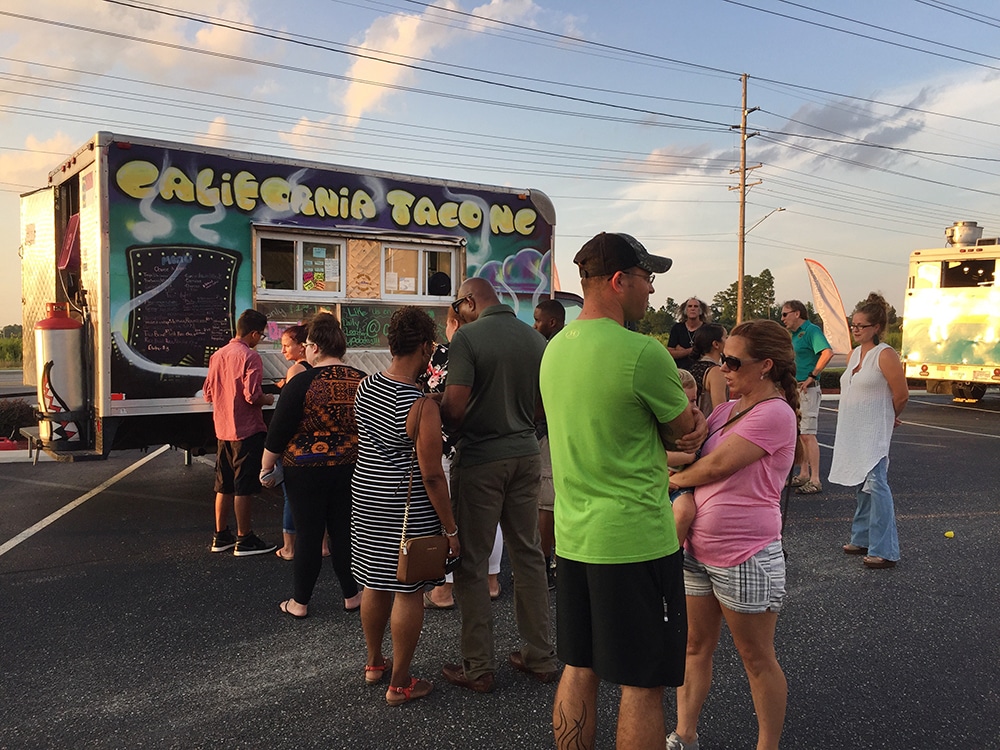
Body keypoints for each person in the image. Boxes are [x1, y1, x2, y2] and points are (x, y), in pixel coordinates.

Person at [540, 232, 704, 749]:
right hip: (635, 540)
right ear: (618, 281)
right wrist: (673, 426)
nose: (652, 290)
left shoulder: (553, 350)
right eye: (646, 278)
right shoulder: (643, 354)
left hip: (575, 537)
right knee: (642, 682)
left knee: (579, 665)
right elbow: (688, 429)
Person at [667, 319, 799, 750]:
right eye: (723, 358)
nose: (723, 367)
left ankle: (768, 746)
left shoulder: (775, 414)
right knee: (693, 648)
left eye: (732, 361)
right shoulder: (727, 410)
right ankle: (685, 736)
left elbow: (717, 466)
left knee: (756, 659)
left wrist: (669, 477)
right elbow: (690, 447)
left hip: (745, 553)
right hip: (698, 550)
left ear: (765, 365)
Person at [439, 277, 557, 693]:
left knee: (472, 561)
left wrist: (431, 409)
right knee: (527, 554)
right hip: (526, 453)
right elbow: (544, 406)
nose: (457, 313)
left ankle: (478, 667)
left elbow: (453, 406)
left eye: (458, 305)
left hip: (482, 459)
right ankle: (540, 656)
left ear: (470, 301)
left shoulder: (468, 338)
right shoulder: (535, 340)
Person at [351, 307, 460, 706]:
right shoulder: (422, 407)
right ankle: (400, 684)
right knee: (408, 590)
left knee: (374, 583)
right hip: (406, 511)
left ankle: (374, 663)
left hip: (366, 500)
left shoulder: (365, 387)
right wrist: (451, 530)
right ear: (427, 348)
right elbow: (432, 475)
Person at [260, 313, 364, 616]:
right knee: (344, 532)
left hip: (304, 470)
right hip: (350, 467)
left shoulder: (302, 381)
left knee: (308, 534)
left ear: (315, 347)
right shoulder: (362, 380)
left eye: (306, 345)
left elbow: (279, 430)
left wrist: (266, 467)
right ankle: (351, 596)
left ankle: (300, 602)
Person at [420, 307, 503, 609]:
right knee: (490, 516)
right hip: (488, 442)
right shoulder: (494, 351)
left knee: (449, 516)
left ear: (454, 323)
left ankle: (444, 590)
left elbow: (428, 393)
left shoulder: (445, 353)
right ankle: (492, 580)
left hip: (448, 445)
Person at [828, 293, 908, 570]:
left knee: (876, 484)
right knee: (863, 486)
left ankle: (885, 549)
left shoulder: (884, 354)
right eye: (853, 325)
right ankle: (861, 538)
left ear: (876, 327)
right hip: (852, 427)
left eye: (861, 325)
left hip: (873, 429)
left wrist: (890, 417)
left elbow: (901, 394)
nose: (856, 329)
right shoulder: (853, 354)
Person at [204, 309, 276, 557]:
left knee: (223, 485)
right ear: (254, 333)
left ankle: (220, 535)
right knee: (244, 486)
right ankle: (244, 538)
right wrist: (268, 399)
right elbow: (252, 395)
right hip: (246, 429)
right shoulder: (251, 357)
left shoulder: (218, 355)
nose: (260, 339)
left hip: (222, 428)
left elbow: (208, 393)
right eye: (262, 335)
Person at [781, 299, 833, 495]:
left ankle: (815, 479)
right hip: (796, 388)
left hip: (807, 389)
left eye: (785, 314)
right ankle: (803, 474)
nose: (782, 318)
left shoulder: (811, 331)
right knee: (799, 434)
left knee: (808, 434)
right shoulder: (795, 335)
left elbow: (827, 352)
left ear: (797, 313)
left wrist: (813, 375)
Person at [533, 297, 566, 589]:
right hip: (561, 429)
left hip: (548, 430)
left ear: (552, 322)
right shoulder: (567, 346)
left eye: (538, 320)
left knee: (546, 499)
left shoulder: (549, 350)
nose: (534, 325)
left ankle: (543, 566)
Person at [274, 324, 311, 561]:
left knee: (291, 495)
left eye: (287, 345)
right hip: (314, 441)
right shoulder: (318, 368)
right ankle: (323, 546)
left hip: (294, 442)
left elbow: (287, 410)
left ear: (302, 346)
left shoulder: (296, 369)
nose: (283, 350)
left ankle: (289, 547)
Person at [667, 370, 700, 544]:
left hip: (681, 483)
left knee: (685, 510)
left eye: (694, 400)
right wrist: (688, 457)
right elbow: (659, 456)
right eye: (684, 402)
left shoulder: (697, 423)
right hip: (657, 478)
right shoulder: (663, 424)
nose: (692, 407)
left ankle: (675, 553)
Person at [687, 323, 728, 417]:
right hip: (709, 426)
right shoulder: (716, 372)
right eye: (726, 337)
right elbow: (721, 412)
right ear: (716, 344)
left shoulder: (695, 366)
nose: (728, 340)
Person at [667, 297, 709, 371]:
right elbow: (670, 353)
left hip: (701, 371)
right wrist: (690, 351)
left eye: (696, 306)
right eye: (690, 306)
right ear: (685, 310)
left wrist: (680, 351)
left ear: (700, 311)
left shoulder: (706, 329)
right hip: (680, 371)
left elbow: (708, 353)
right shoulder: (677, 328)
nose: (693, 309)